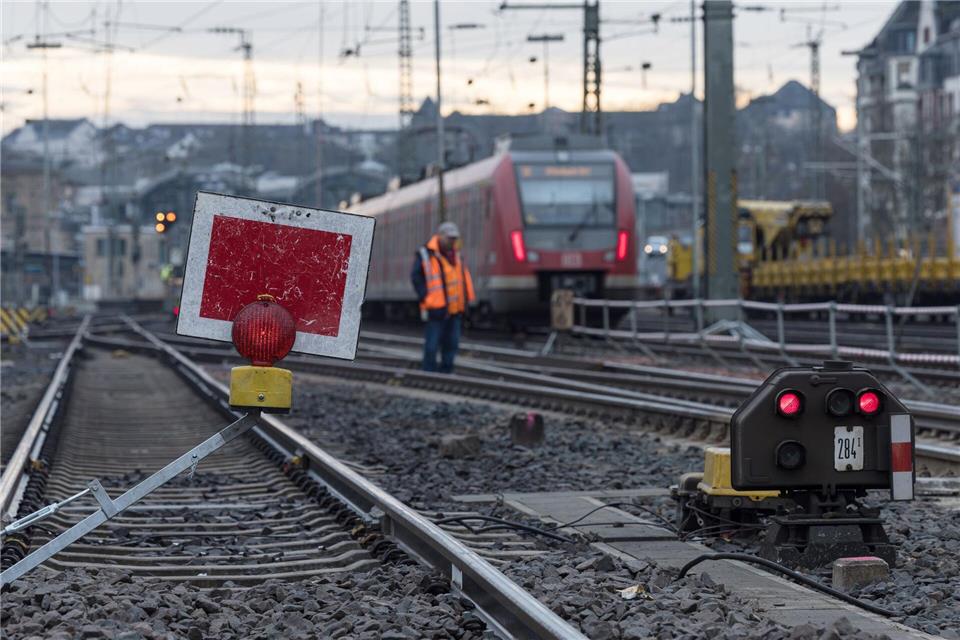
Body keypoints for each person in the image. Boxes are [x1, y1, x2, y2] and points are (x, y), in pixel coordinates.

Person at [411, 221, 475, 373]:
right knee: (432, 345)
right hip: (436, 309)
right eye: (450, 238)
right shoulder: (426, 254)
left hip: (455, 310)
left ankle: (446, 372)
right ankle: (429, 372)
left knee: (451, 344)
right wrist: (425, 297)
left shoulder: (456, 256)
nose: (452, 241)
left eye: (454, 238)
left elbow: (461, 280)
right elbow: (416, 277)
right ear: (440, 236)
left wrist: (465, 304)